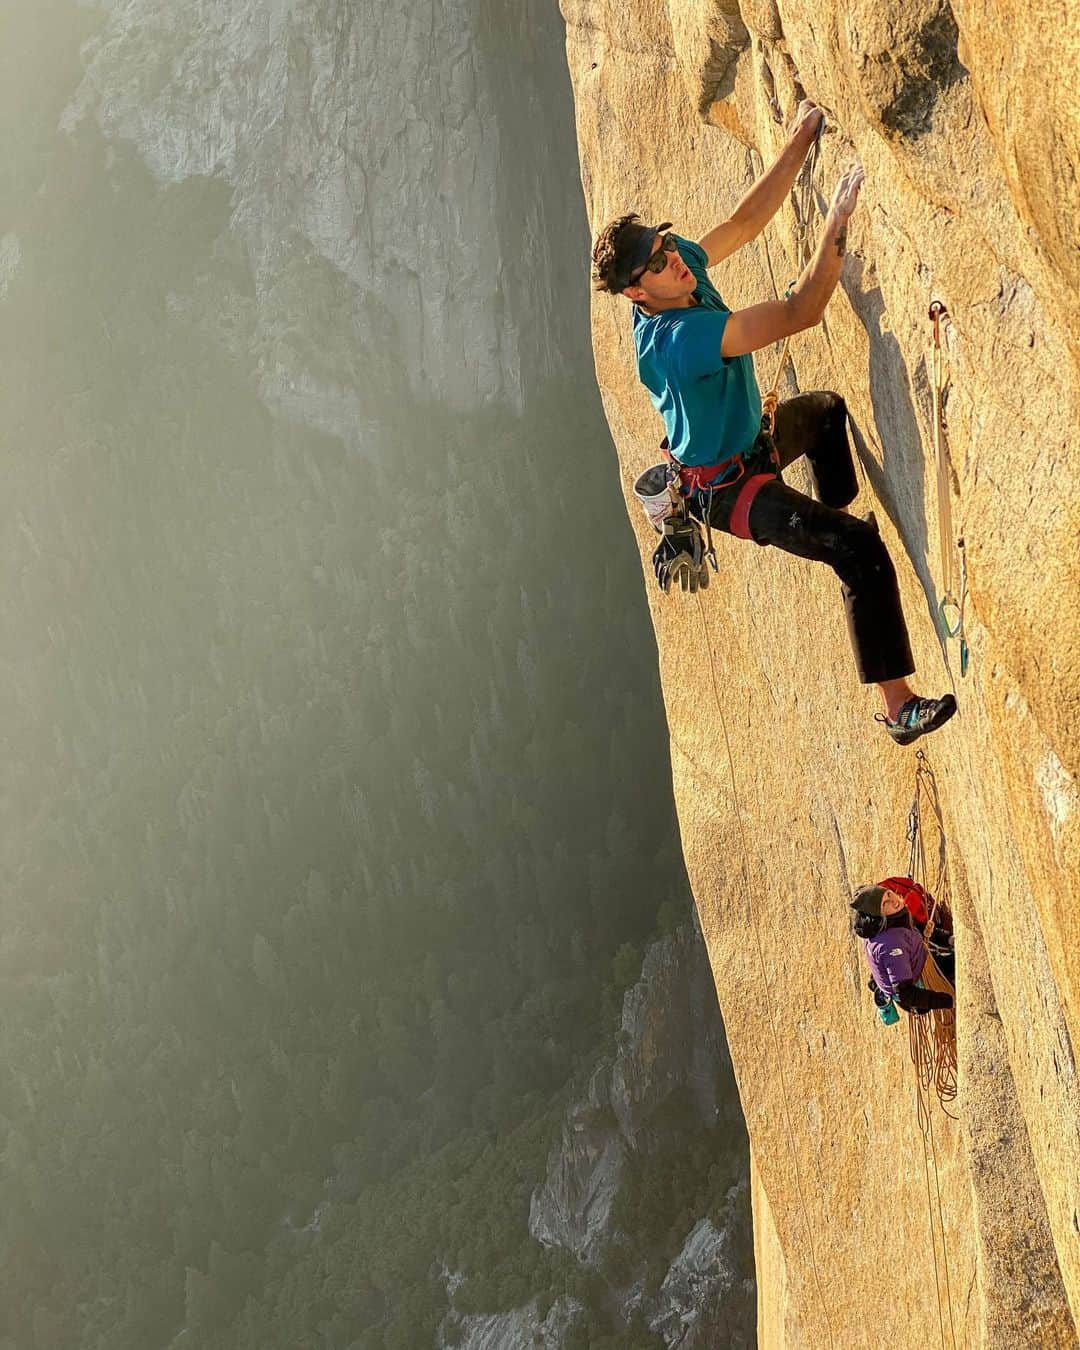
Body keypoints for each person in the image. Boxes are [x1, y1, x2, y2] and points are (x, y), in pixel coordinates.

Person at [590, 102, 957, 746]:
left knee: (824, 416)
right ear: (634, 293)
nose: (670, 253)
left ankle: (833, 526)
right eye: (655, 259)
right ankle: (899, 708)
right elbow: (801, 311)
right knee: (860, 552)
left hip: (749, 446)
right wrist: (835, 225)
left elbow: (743, 221)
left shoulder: (680, 274)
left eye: (664, 241)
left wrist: (800, 141)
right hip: (731, 492)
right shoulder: (678, 337)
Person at [850, 882, 954, 1015]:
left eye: (888, 894)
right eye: (884, 904)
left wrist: (947, 939)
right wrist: (949, 1001)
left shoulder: (893, 918)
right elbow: (906, 994)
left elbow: (914, 930)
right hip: (917, 984)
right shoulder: (890, 945)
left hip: (915, 958)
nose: (893, 901)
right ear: (878, 916)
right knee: (959, 963)